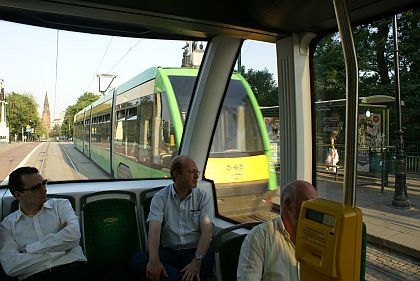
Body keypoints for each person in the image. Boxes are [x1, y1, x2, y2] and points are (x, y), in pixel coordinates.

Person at [0, 167, 92, 281]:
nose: (44, 190)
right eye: (35, 188)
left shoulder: (61, 205)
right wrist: (62, 249)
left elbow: (73, 236)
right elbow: (11, 266)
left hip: (73, 270)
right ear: (18, 195)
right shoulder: (7, 225)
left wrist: (29, 249)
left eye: (44, 183)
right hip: (35, 277)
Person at [132, 155, 214, 281]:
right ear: (177, 175)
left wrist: (196, 261)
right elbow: (154, 230)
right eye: (191, 172)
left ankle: (172, 276)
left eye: (196, 172)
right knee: (138, 259)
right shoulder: (160, 198)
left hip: (195, 252)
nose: (196, 176)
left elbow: (207, 232)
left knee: (206, 256)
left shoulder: (203, 197)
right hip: (169, 253)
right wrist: (154, 260)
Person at [237, 180, 318, 281]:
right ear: (288, 204)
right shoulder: (260, 237)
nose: (315, 209)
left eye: (316, 203)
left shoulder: (318, 239)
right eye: (308, 202)